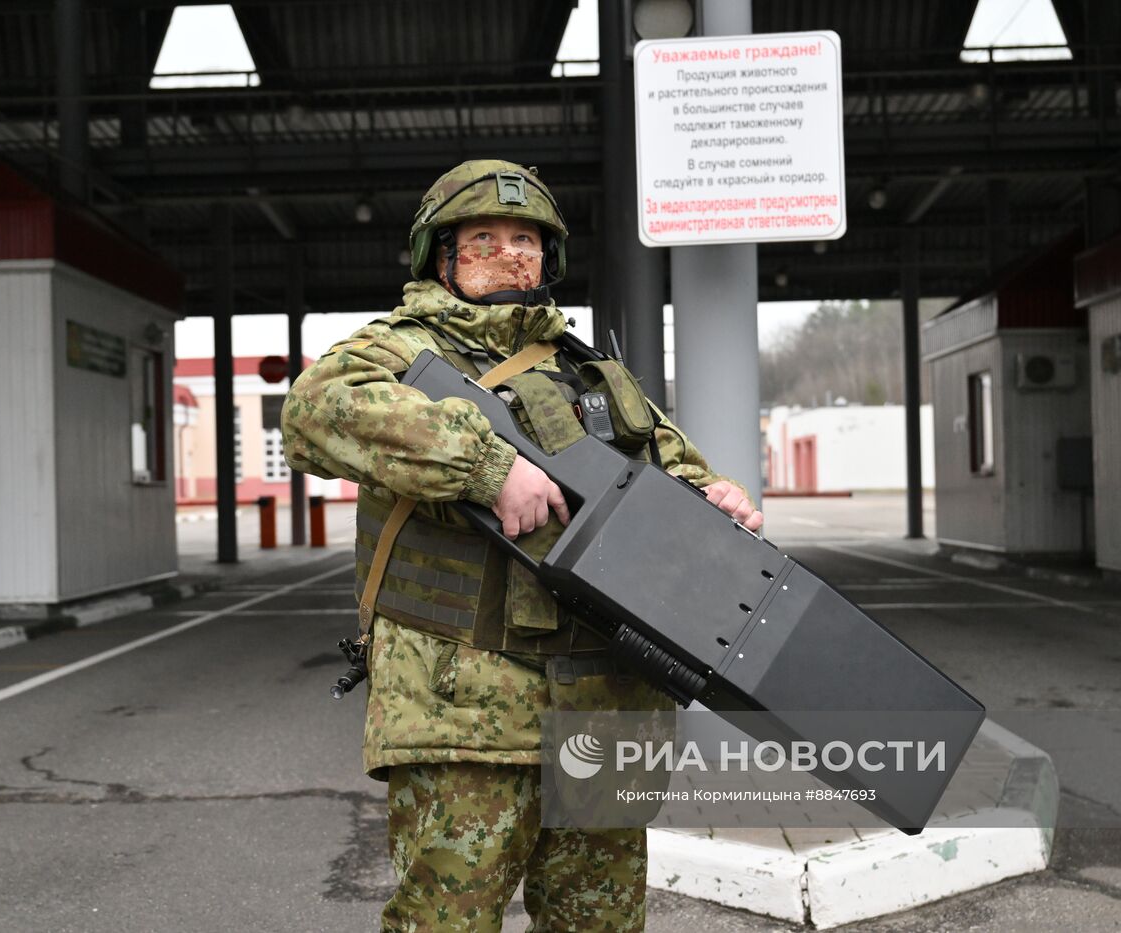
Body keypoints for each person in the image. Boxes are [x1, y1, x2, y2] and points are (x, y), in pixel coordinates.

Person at [281, 159, 762, 932]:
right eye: (483, 237)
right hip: (465, 702)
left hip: (607, 704)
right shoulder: (394, 352)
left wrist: (717, 502)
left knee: (599, 921)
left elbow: (677, 470)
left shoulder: (595, 373)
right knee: (448, 921)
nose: (509, 253)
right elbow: (314, 412)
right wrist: (485, 464)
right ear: (441, 254)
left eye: (525, 239)